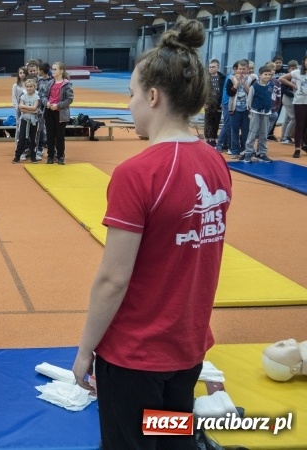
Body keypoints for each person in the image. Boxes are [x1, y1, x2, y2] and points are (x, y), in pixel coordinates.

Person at [71, 19, 232, 450]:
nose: (130, 106)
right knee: (171, 438)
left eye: (132, 95)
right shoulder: (216, 163)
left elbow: (113, 279)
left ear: (154, 97)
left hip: (135, 357)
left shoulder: (138, 173)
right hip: (187, 349)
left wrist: (85, 349)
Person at [243, 63, 275, 163]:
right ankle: (248, 153)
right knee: (252, 133)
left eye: (269, 74)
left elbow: (271, 97)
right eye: (265, 74)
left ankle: (261, 153)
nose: (268, 76)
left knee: (264, 134)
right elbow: (249, 99)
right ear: (260, 75)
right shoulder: (255, 86)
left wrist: (270, 109)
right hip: (255, 112)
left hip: (266, 113)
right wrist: (250, 110)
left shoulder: (271, 85)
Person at [44, 62, 74, 165]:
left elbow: (69, 99)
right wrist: (47, 103)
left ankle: (60, 156)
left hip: (60, 114)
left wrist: (58, 106)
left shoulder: (67, 84)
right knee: (50, 135)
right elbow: (43, 96)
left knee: (60, 136)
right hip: (49, 112)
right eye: (52, 69)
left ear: (61, 71)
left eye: (55, 69)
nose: (53, 71)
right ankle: (50, 156)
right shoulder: (50, 83)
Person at [280, 56, 307, 158]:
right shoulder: (297, 72)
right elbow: (281, 78)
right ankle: (297, 148)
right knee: (299, 124)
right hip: (299, 101)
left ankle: (305, 144)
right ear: (304, 62)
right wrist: (294, 86)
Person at [227, 59, 252, 158]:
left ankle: (245, 150)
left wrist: (244, 83)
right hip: (235, 109)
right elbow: (230, 93)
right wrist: (237, 82)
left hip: (246, 109)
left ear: (247, 69)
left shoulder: (251, 79)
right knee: (234, 131)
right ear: (237, 69)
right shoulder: (231, 79)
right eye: (240, 69)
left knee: (246, 131)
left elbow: (251, 93)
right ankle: (235, 151)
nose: (241, 71)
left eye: (243, 69)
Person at [13, 78, 40, 164]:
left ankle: (33, 156)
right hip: (24, 120)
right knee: (21, 138)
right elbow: (21, 109)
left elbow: (35, 108)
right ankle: (17, 156)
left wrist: (25, 107)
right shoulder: (23, 96)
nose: (29, 88)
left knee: (33, 139)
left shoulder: (36, 97)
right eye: (27, 86)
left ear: (34, 87)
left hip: (33, 121)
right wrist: (31, 110)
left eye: (31, 86)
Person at [204, 60, 226, 148]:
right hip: (208, 102)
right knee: (208, 121)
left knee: (216, 121)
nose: (211, 69)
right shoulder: (205, 77)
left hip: (218, 102)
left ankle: (213, 138)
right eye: (210, 67)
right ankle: (207, 138)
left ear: (218, 67)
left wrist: (222, 102)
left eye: (213, 67)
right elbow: (203, 91)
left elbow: (224, 91)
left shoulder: (223, 78)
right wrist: (204, 102)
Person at [279, 60, 298, 145]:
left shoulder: (297, 77)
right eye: (293, 68)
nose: (295, 70)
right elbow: (284, 90)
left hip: (294, 99)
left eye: (296, 68)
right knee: (294, 118)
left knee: (287, 119)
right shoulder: (287, 77)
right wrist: (294, 94)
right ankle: (286, 137)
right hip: (287, 99)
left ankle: (283, 136)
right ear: (289, 69)